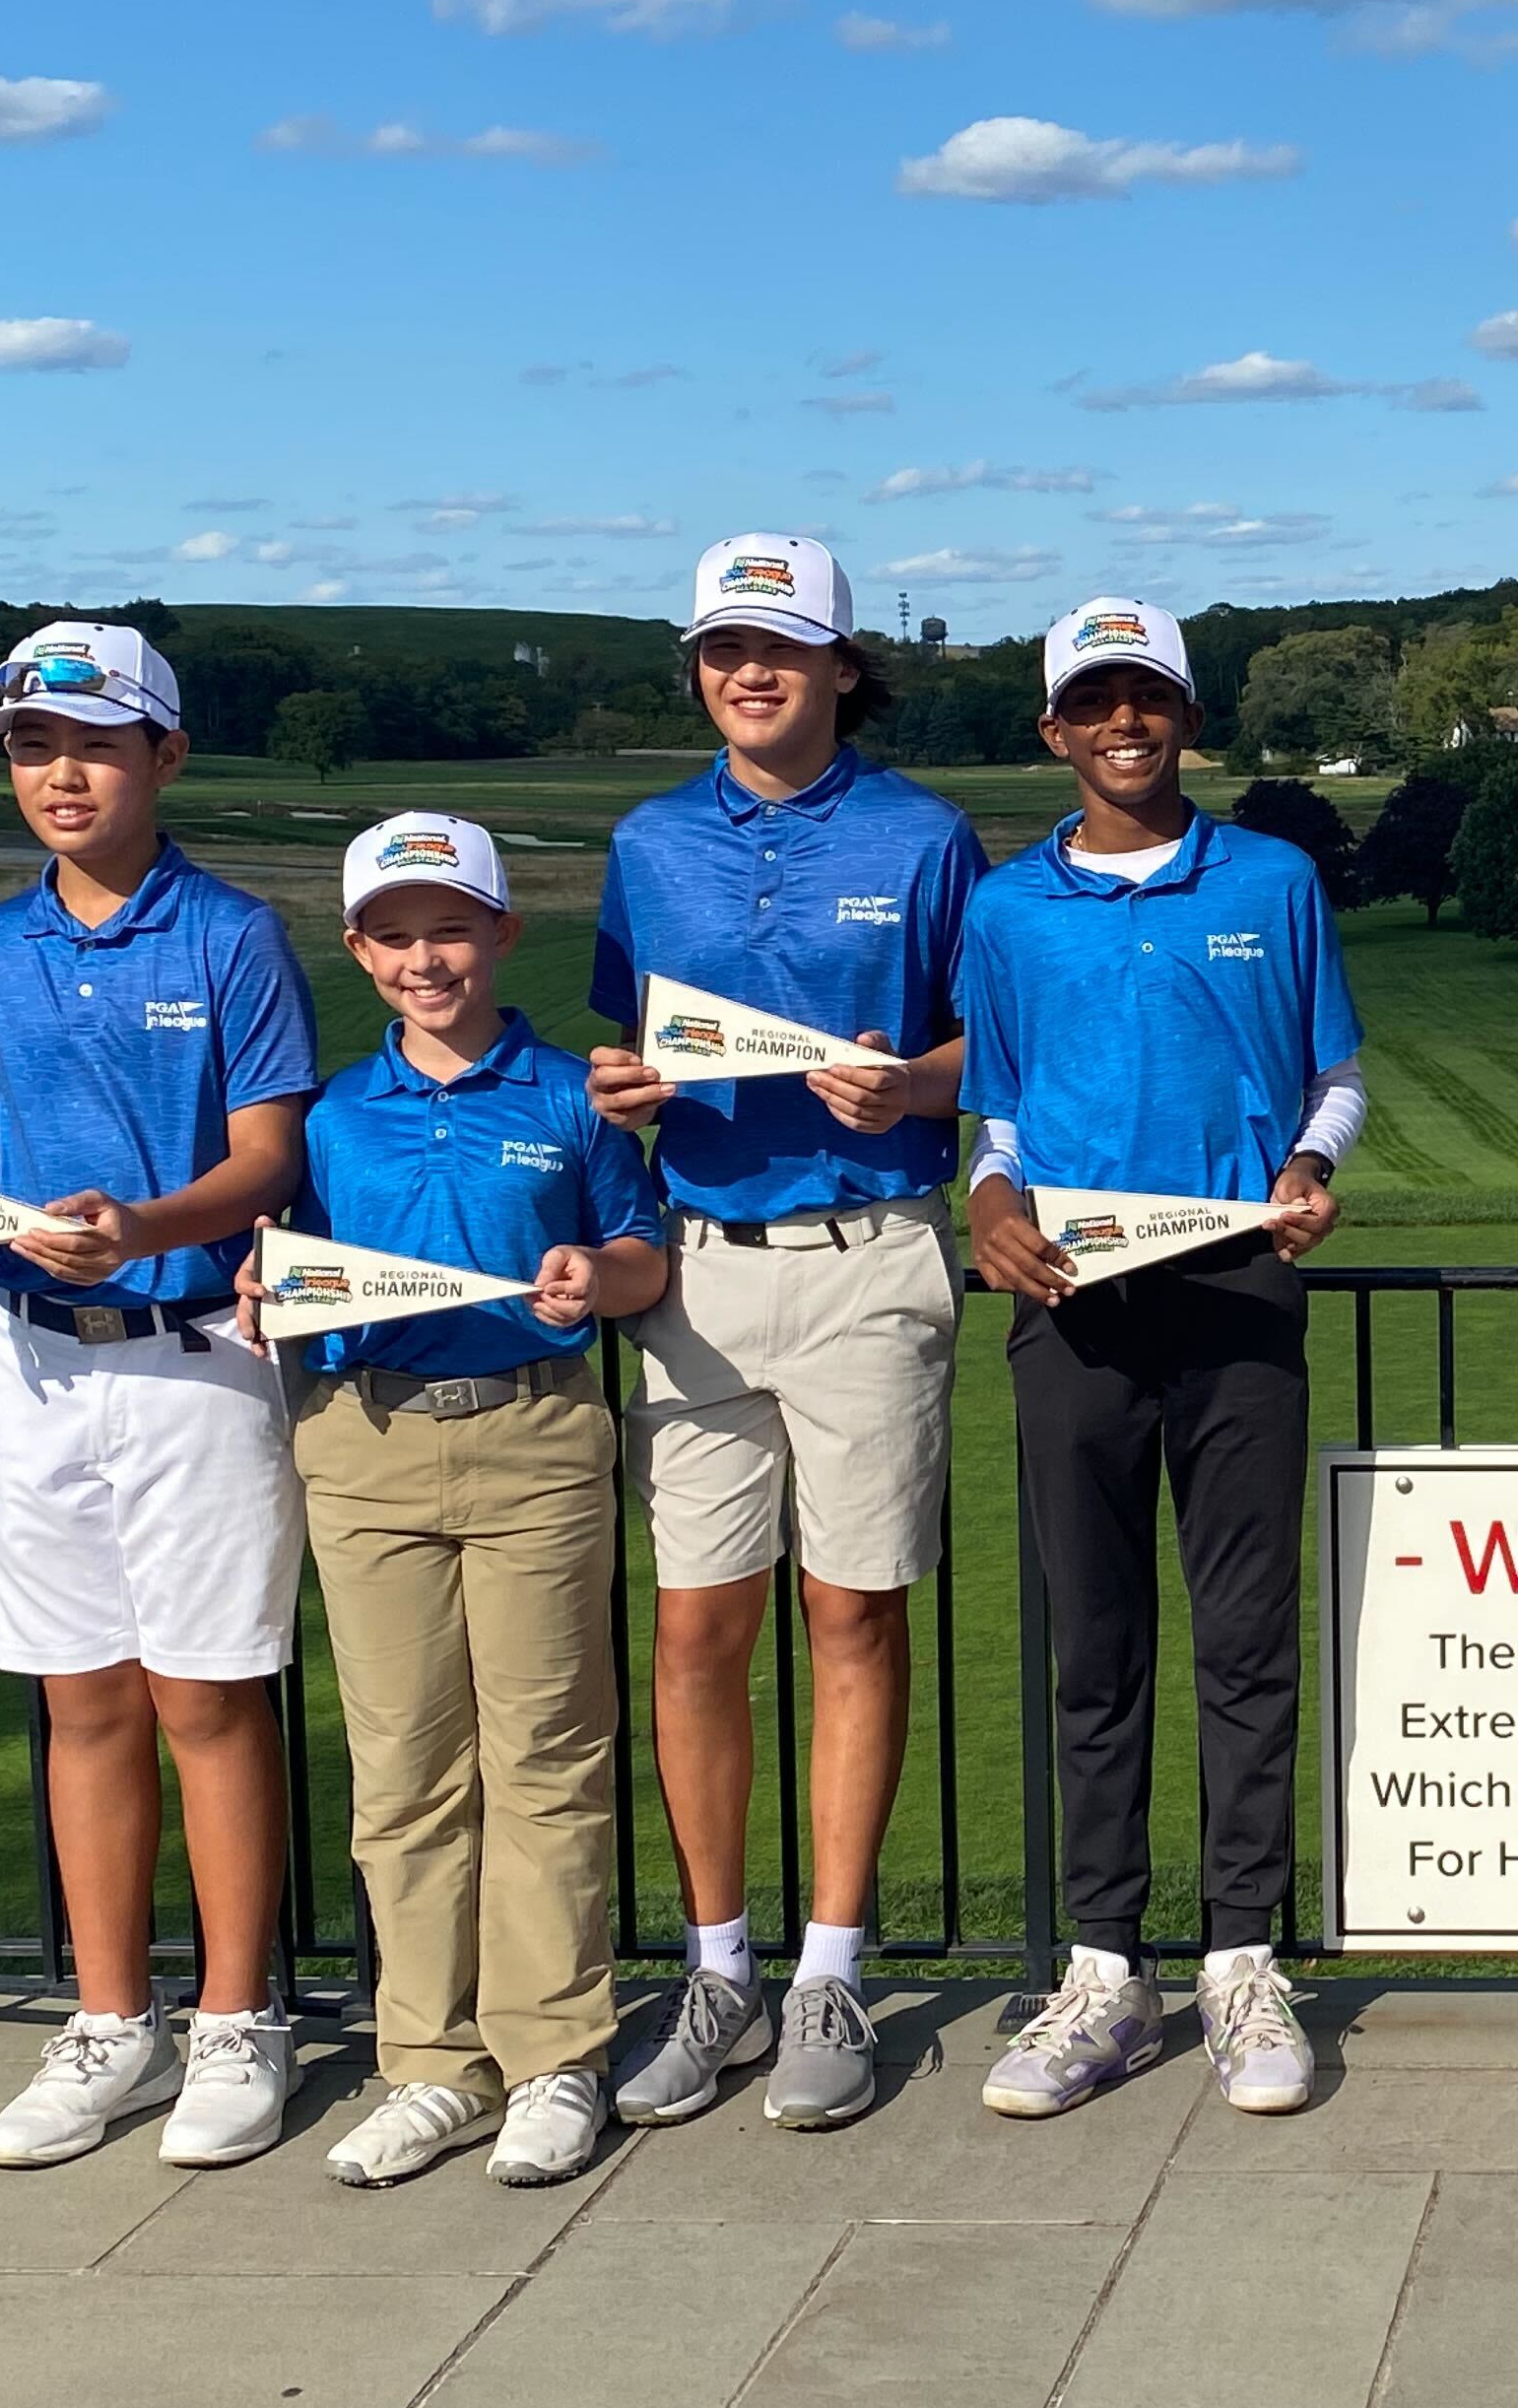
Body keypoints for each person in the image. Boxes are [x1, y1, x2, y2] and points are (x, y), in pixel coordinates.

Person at [0, 623, 317, 2170]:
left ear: (164, 757)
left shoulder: (231, 935)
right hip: (26, 1360)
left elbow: (268, 1157)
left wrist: (146, 1226)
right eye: (34, 748)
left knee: (207, 1703)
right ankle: (112, 2020)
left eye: (92, 744)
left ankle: (239, 2019)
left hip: (189, 1354)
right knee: (80, 1699)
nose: (60, 773)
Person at [588, 536, 985, 2133]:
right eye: (721, 650)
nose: (748, 674)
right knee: (696, 1630)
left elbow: (988, 1051)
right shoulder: (649, 839)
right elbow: (633, 1046)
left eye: (781, 648)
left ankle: (830, 1965)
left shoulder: (924, 835)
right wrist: (620, 1089)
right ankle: (720, 1969)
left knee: (852, 1617)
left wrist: (916, 1085)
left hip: (869, 1251)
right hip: (695, 1270)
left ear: (839, 665)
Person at [959, 597, 1363, 2123]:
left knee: (1248, 1639)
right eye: (1093, 703)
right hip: (1073, 1299)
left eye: (1150, 701)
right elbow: (996, 1114)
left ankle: (1245, 1959)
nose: (1123, 726)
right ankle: (1103, 1971)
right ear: (1055, 729)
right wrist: (988, 1202)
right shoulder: (1007, 910)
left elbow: (1332, 1073)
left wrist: (1313, 1170)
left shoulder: (1270, 877)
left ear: (1188, 721)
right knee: (1097, 1649)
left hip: (1239, 1288)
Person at [246, 814, 668, 2189]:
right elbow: (286, 1266)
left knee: (546, 1751)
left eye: (449, 928)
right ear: (359, 951)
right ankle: (431, 2064)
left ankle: (555, 2057)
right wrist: (265, 1293)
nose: (425, 958)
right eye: (394, 933)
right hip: (361, 1444)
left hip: (536, 1438)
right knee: (405, 1764)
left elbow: (642, 1253)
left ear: (498, 932)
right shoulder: (330, 1116)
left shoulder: (567, 1095)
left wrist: (593, 1281)